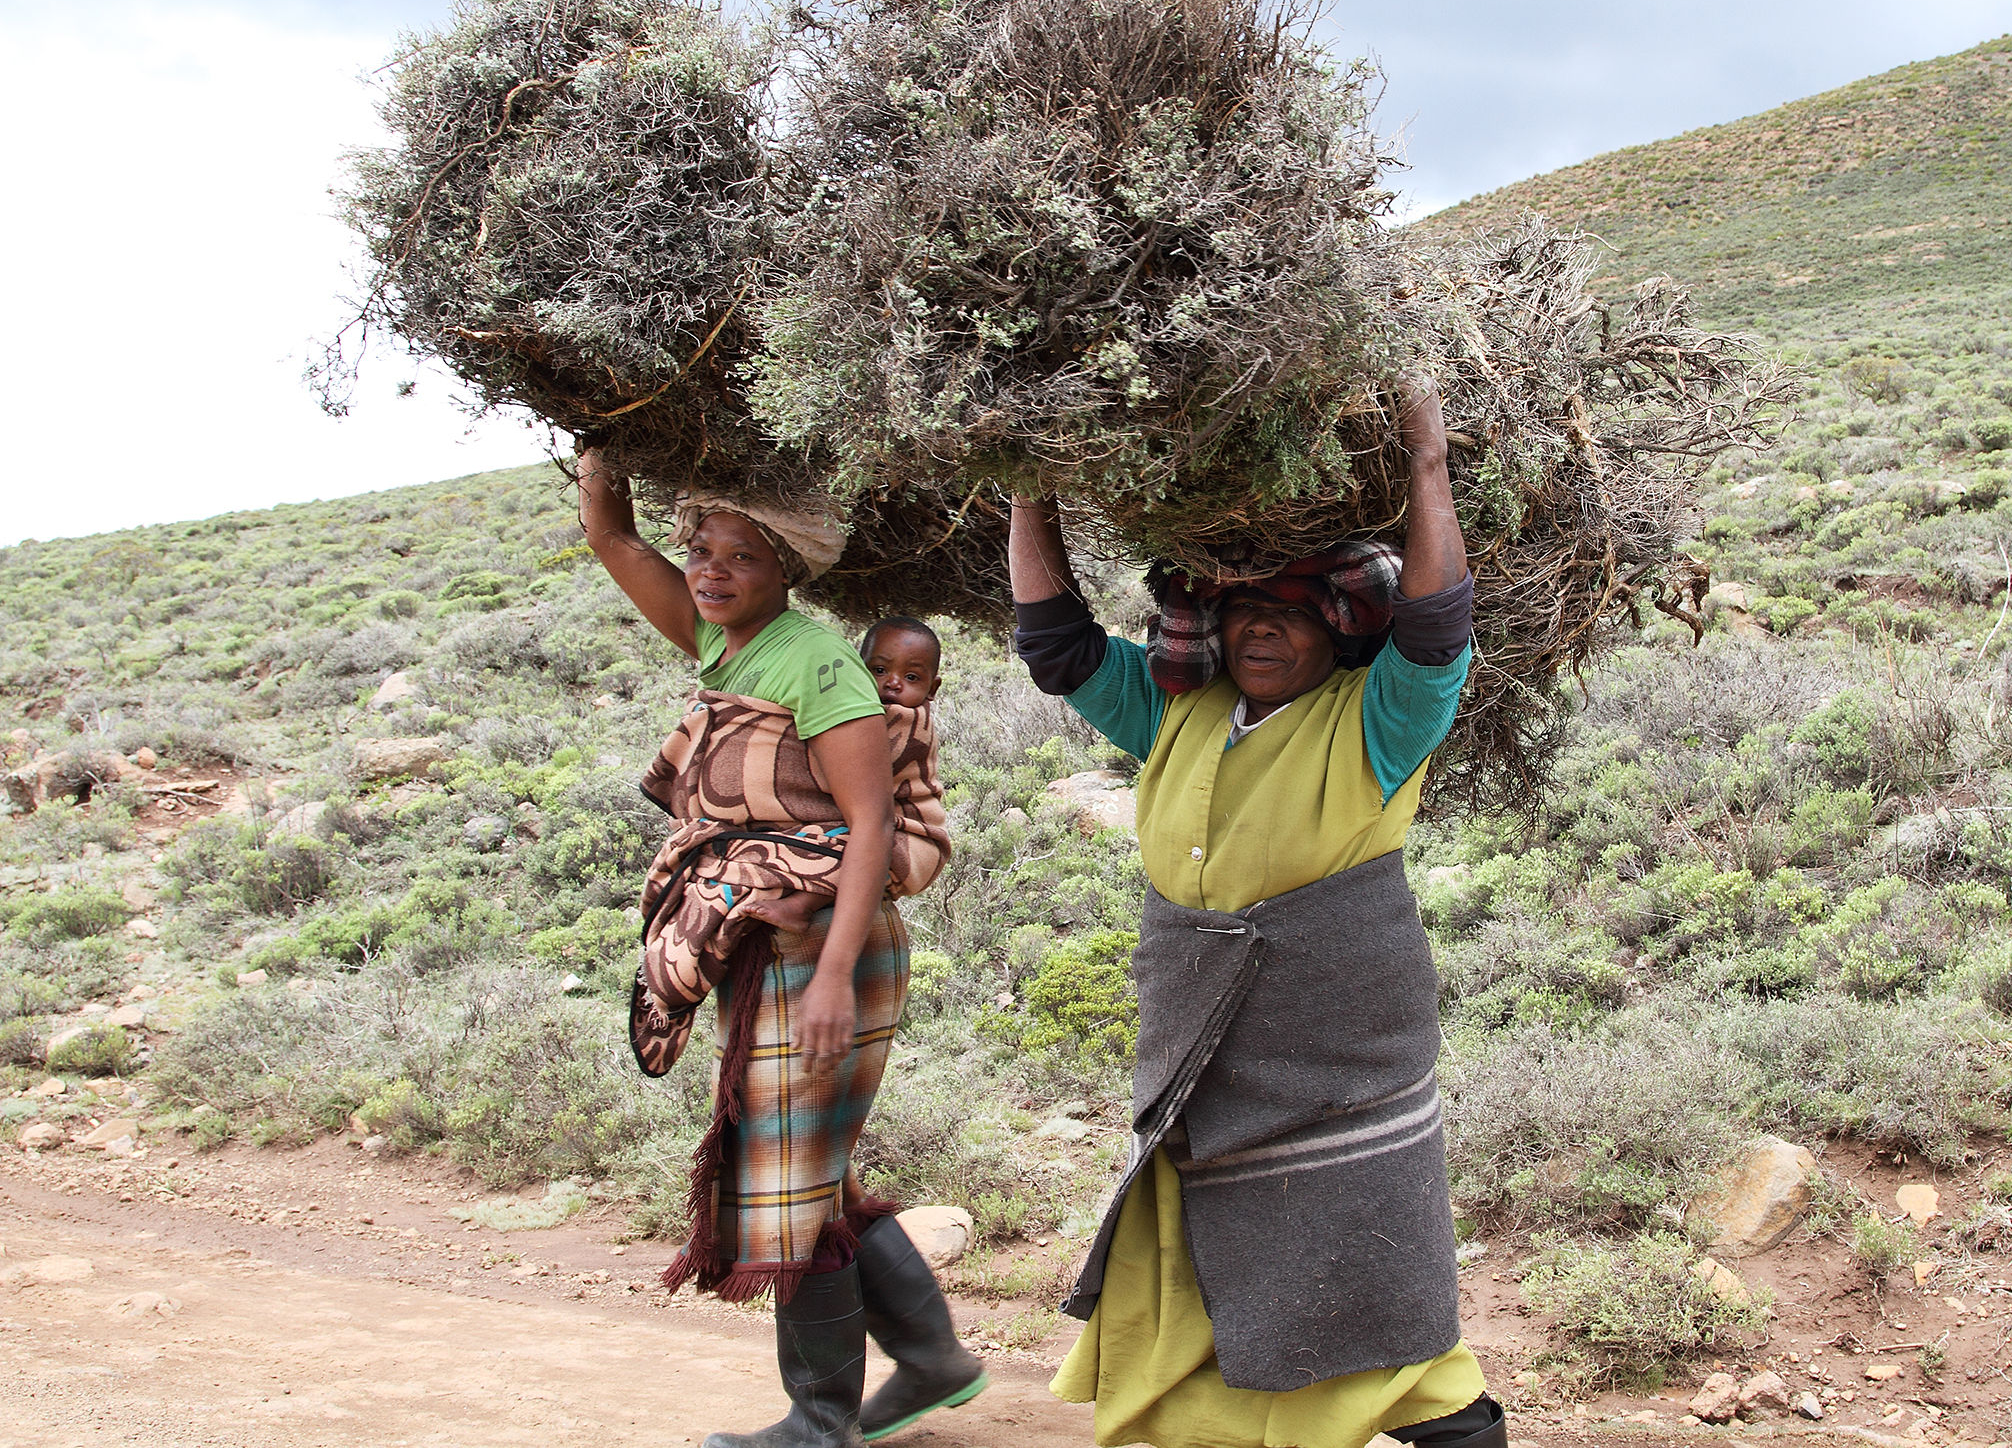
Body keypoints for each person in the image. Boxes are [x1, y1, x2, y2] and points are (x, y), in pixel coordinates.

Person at [1006, 381, 1507, 1448]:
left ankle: (1456, 1425)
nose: (1261, 628)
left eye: (1291, 610)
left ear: (1338, 631)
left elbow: (1434, 633)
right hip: (1199, 1033)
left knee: (1359, 1246)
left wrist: (1427, 462)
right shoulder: (1174, 710)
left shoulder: (1378, 723)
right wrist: (1029, 488)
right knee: (1210, 1238)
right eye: (1241, 608)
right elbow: (1056, 645)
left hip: (1333, 1038)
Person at [577, 452, 986, 1448]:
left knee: (790, 1184)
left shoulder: (812, 662)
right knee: (818, 1175)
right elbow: (612, 537)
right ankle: (932, 1361)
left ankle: (819, 1421)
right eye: (703, 552)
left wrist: (834, 979)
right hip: (778, 948)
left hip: (827, 949)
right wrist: (596, 438)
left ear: (786, 568)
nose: (712, 573)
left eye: (742, 557)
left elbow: (871, 825)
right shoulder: (724, 645)